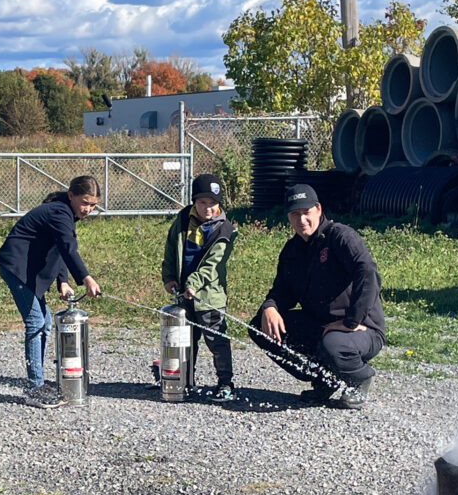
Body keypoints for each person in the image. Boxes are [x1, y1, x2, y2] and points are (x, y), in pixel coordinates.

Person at [251, 184, 385, 410]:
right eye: (295, 214)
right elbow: (282, 291)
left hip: (362, 329)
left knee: (334, 344)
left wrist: (352, 321)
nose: (302, 220)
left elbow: (368, 273)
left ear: (318, 209)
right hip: (321, 325)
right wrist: (270, 307)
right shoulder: (292, 250)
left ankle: (360, 377)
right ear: (288, 217)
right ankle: (325, 379)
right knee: (260, 327)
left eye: (306, 212)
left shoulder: (340, 237)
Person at [0, 174, 102, 408]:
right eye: (85, 202)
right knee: (35, 322)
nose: (88, 209)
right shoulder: (59, 212)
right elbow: (68, 248)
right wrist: (86, 278)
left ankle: (38, 382)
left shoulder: (65, 212)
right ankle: (35, 388)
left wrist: (62, 281)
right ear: (71, 195)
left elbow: (58, 247)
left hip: (28, 268)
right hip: (16, 267)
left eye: (93, 205)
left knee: (45, 322)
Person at [161, 173, 238, 400]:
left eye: (213, 203)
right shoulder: (183, 220)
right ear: (194, 201)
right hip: (183, 294)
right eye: (202, 202)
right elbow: (170, 249)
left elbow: (212, 265)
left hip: (208, 297)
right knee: (185, 340)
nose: (208, 208)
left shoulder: (225, 230)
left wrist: (192, 285)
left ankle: (225, 383)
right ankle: (185, 380)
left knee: (216, 341)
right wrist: (169, 277)